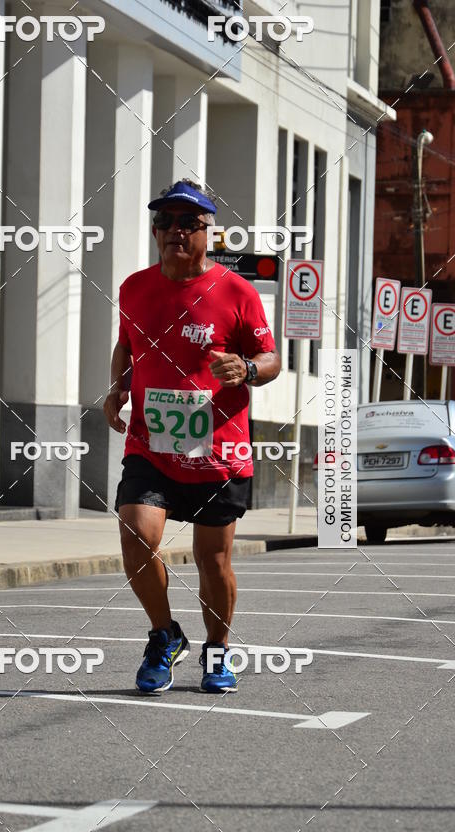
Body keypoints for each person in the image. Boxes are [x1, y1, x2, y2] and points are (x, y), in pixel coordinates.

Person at [103, 178, 280, 695]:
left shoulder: (237, 292)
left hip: (218, 450)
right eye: (165, 221)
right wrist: (116, 390)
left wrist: (246, 368)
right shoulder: (134, 287)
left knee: (214, 559)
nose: (174, 231)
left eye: (188, 223)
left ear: (208, 231)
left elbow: (272, 361)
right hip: (152, 443)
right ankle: (164, 636)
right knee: (137, 534)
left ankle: (218, 651)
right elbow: (127, 345)